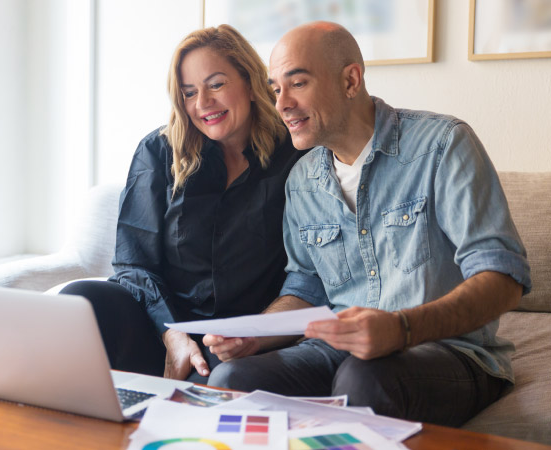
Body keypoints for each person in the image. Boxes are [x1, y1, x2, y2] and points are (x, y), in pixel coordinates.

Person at [205, 21, 531, 426]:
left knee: (363, 379)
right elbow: (306, 285)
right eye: (275, 89)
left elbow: (504, 277)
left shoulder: (443, 145)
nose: (281, 104)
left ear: (350, 80)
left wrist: (402, 328)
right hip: (340, 350)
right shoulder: (302, 180)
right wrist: (257, 333)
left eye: (298, 83)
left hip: (449, 351)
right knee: (231, 378)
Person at [59, 25, 302, 383]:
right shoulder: (158, 151)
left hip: (238, 337)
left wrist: (255, 333)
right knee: (79, 298)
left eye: (216, 84)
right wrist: (173, 334)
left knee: (221, 380)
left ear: (250, 83)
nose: (202, 103)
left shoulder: (295, 154)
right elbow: (134, 263)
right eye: (189, 92)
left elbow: (305, 271)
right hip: (162, 324)